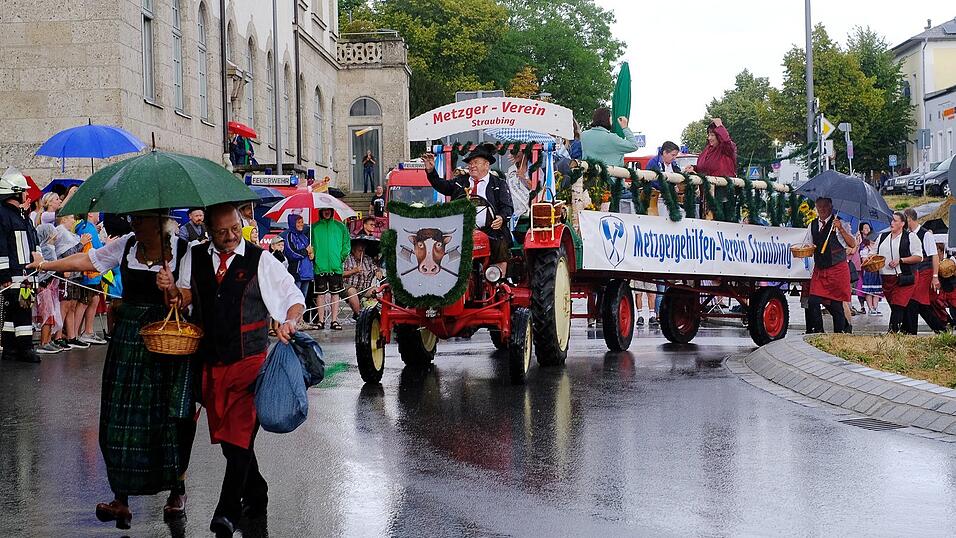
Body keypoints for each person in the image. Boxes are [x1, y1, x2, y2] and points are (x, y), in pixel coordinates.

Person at [31, 211, 196, 528]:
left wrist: (173, 290)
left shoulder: (183, 250)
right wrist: (46, 265)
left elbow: (188, 298)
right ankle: (121, 498)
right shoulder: (127, 245)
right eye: (134, 219)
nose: (135, 224)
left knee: (168, 418)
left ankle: (177, 491)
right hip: (129, 340)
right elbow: (88, 261)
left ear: (159, 221)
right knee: (119, 417)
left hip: (166, 341)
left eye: (141, 219)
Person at [157, 203, 305, 538]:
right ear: (208, 230)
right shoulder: (193, 256)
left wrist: (290, 320)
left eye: (235, 228)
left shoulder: (260, 259)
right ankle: (257, 490)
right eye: (222, 231)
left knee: (240, 437)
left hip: (249, 362)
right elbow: (183, 298)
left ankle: (226, 511)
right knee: (229, 442)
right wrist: (170, 290)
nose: (230, 236)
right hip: (210, 363)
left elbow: (292, 295)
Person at [423, 143, 514, 274]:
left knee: (500, 242)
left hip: (490, 230)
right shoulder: (460, 182)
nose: (472, 166)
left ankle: (498, 276)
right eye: (470, 163)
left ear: (486, 165)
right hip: (461, 229)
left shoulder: (498, 183)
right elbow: (442, 186)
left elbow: (507, 207)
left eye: (476, 162)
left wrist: (501, 218)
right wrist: (431, 171)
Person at [0, 169, 40, 363]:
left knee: (14, 311)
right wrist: (4, 274)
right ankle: (25, 348)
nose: (26, 194)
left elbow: (32, 240)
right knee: (22, 311)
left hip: (25, 273)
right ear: (16, 192)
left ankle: (10, 348)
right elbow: (1, 246)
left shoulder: (20, 216)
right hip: (15, 274)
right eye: (24, 190)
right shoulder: (4, 215)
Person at [803, 197, 857, 334]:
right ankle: (819, 332)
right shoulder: (812, 225)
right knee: (813, 300)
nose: (821, 209)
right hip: (820, 268)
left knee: (836, 304)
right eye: (819, 206)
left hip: (837, 268)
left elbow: (852, 244)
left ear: (831, 207)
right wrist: (806, 249)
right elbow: (809, 244)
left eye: (824, 206)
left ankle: (840, 333)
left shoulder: (840, 223)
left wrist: (841, 229)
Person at [903, 208, 948, 333]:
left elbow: (934, 256)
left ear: (909, 219)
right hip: (914, 274)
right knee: (920, 304)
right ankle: (940, 328)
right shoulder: (908, 234)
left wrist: (935, 276)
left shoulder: (925, 235)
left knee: (914, 300)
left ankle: (910, 331)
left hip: (925, 273)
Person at [877, 212, 922, 333]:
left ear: (902, 223)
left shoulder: (911, 237)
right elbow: (873, 254)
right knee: (896, 306)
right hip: (887, 278)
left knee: (898, 304)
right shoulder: (882, 237)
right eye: (891, 220)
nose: (892, 223)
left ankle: (892, 332)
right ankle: (906, 331)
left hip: (904, 277)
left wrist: (901, 260)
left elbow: (918, 257)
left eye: (895, 221)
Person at [311, 207, 350, 330]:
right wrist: (314, 257)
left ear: (332, 211)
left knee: (335, 293)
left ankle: (334, 320)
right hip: (320, 267)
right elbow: (311, 245)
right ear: (321, 211)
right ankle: (320, 321)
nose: (326, 211)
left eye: (329, 209)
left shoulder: (341, 227)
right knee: (320, 294)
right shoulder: (314, 227)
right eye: (324, 209)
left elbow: (346, 245)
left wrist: (340, 258)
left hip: (335, 266)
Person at [74, 212, 107, 345]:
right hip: (89, 272)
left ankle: (87, 331)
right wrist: (107, 244)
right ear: (90, 214)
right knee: (84, 301)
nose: (99, 214)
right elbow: (97, 248)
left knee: (94, 299)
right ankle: (75, 334)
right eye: (97, 212)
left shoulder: (86, 226)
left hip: (92, 272)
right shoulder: (87, 227)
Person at [343, 235, 378, 320]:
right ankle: (360, 316)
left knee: (377, 290)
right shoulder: (346, 258)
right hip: (348, 287)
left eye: (363, 251)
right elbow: (340, 274)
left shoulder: (368, 259)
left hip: (364, 289)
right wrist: (354, 271)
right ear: (353, 250)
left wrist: (378, 272)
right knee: (352, 291)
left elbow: (375, 268)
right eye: (359, 251)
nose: (362, 253)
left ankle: (376, 315)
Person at [282, 214, 314, 303]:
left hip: (306, 273)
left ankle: (302, 313)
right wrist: (306, 251)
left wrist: (312, 254)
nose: (301, 224)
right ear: (293, 223)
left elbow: (309, 250)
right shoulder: (289, 236)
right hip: (297, 273)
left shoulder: (304, 236)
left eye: (302, 222)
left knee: (303, 299)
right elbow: (292, 253)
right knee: (295, 299)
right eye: (298, 222)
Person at [856, 222, 882, 316]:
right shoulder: (863, 247)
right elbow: (864, 260)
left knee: (876, 290)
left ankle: (875, 307)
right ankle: (870, 308)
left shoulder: (876, 247)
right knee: (868, 290)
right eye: (865, 228)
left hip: (876, 270)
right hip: (868, 271)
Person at [505, 149, 533, 219]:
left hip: (529, 211)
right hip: (514, 211)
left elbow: (538, 190)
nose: (514, 154)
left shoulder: (535, 169)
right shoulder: (511, 170)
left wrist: (524, 177)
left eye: (517, 151)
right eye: (512, 151)